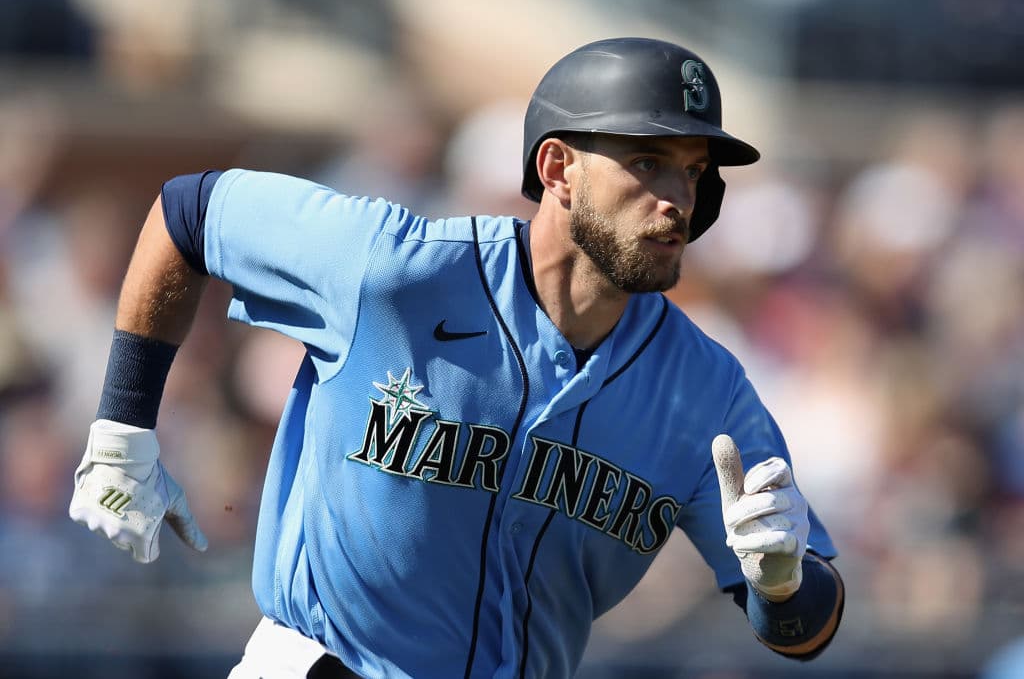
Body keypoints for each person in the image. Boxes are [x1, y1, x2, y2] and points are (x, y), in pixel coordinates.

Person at [69, 37, 844, 678]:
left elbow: (808, 626)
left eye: (694, 169)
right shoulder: (396, 266)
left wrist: (780, 585)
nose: (677, 195)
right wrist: (122, 428)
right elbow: (192, 213)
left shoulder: (705, 389)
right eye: (647, 161)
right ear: (557, 169)